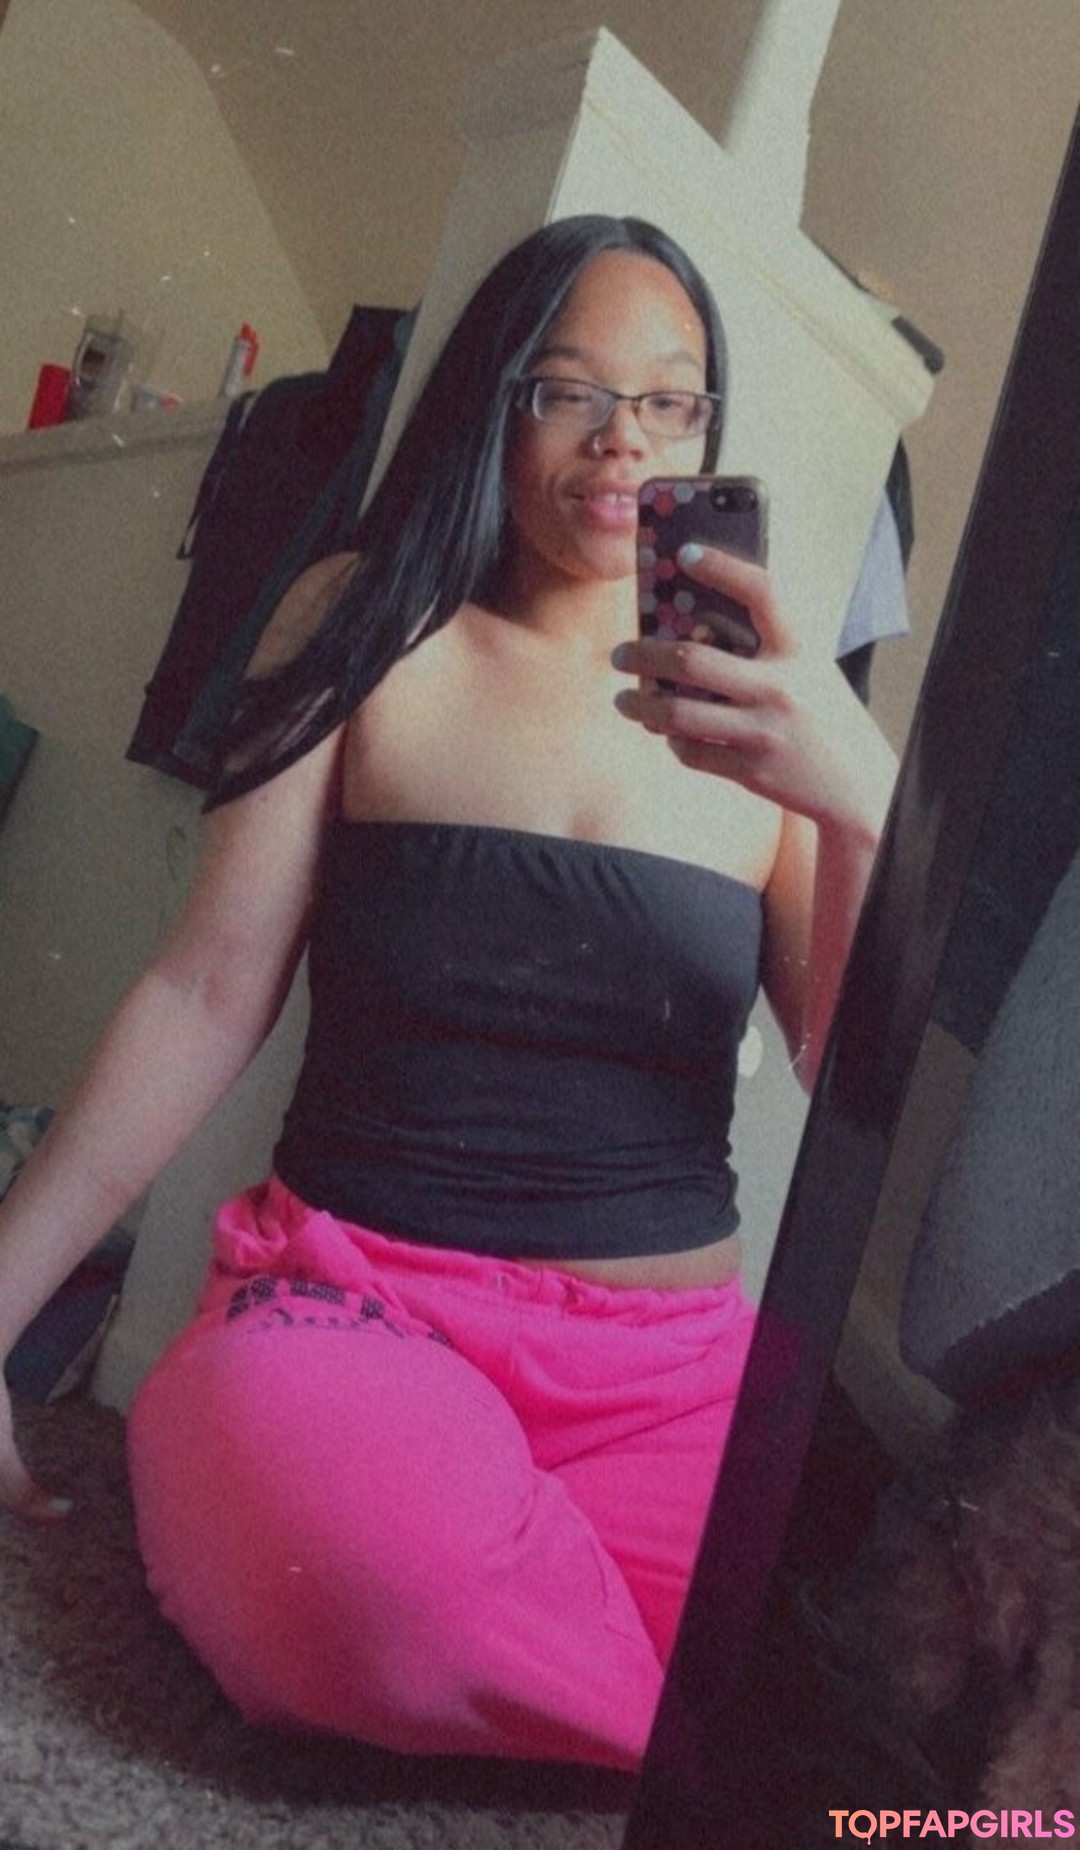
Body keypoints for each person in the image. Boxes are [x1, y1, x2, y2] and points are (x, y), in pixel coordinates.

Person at [0, 216, 896, 1770]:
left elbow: (848, 1064)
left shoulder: (764, 708)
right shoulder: (367, 620)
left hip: (667, 1372)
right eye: (569, 389)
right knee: (364, 1587)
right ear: (494, 400)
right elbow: (207, 989)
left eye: (669, 399)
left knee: (873, 1641)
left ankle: (626, 1697)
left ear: (707, 429)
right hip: (358, 1313)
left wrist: (860, 799)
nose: (623, 439)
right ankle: (697, 1746)